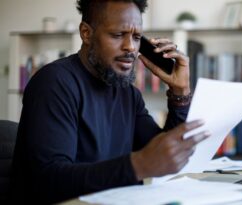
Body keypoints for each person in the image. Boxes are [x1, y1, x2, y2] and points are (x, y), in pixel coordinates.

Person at [9, 0, 210, 204]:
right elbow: (49, 180)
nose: (130, 47)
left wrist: (180, 92)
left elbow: (164, 157)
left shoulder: (128, 93)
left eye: (137, 37)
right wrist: (137, 165)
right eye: (117, 35)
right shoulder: (53, 83)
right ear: (86, 33)